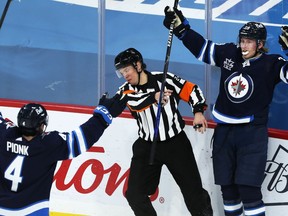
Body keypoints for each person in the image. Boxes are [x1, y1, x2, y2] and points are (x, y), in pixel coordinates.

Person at [163, 6, 288, 216]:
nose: (243, 45)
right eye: (242, 40)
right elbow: (202, 49)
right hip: (224, 132)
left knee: (249, 192)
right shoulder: (230, 52)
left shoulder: (272, 63)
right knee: (228, 192)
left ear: (260, 44)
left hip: (252, 134)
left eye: (249, 41)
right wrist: (182, 30)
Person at [112, 47, 213, 216]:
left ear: (138, 65)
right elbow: (135, 103)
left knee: (194, 195)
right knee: (134, 195)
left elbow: (192, 90)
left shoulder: (165, 79)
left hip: (176, 145)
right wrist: (154, 97)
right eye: (122, 72)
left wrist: (197, 112)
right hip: (146, 146)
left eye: (127, 69)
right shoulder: (125, 90)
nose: (125, 75)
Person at [0, 95, 126, 215]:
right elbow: (82, 138)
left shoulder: (4, 134)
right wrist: (102, 116)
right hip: (33, 211)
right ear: (41, 126)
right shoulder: (48, 144)